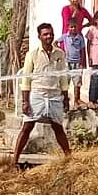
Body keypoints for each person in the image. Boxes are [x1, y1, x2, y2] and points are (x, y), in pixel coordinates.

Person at [13, 23, 73, 167]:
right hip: (37, 94)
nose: (49, 37)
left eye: (50, 34)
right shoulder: (32, 54)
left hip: (54, 95)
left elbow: (63, 77)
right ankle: (14, 160)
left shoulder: (60, 54)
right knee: (27, 126)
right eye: (45, 34)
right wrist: (25, 101)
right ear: (39, 37)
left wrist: (65, 97)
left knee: (58, 127)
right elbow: (26, 79)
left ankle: (70, 158)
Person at [60, 0, 93, 104]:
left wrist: (83, 27)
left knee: (78, 72)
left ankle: (77, 98)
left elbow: (91, 19)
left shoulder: (83, 10)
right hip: (67, 41)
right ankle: (64, 99)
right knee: (66, 73)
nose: (75, 0)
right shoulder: (66, 9)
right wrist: (74, 13)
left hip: (78, 41)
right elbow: (67, 22)